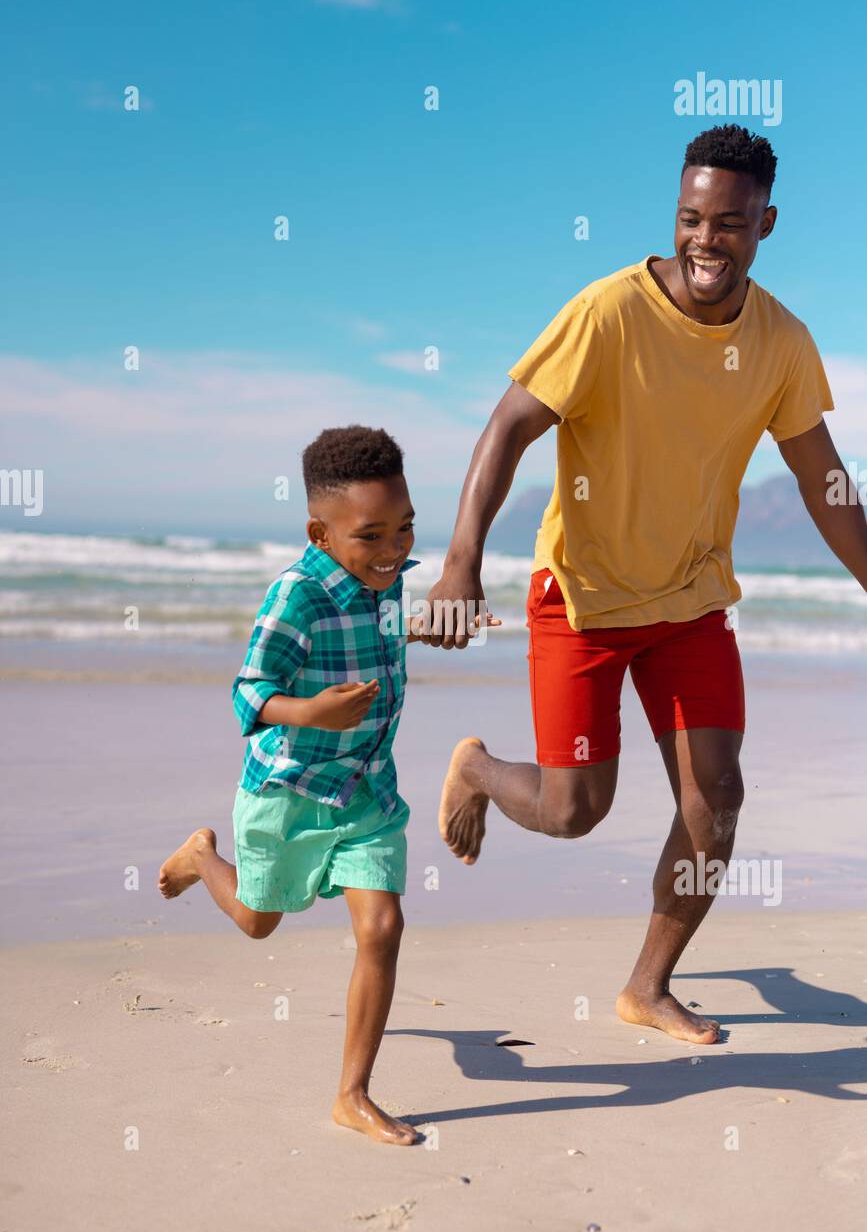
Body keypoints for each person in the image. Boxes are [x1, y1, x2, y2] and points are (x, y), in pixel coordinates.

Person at [422, 124, 867, 1046]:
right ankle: (475, 767)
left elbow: (822, 481)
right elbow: (505, 429)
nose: (706, 240)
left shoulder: (782, 342)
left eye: (729, 223)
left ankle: (646, 986)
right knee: (572, 809)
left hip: (692, 601)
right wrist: (460, 560)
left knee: (717, 803)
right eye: (690, 219)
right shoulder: (608, 312)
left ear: (766, 224)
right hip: (582, 594)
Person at [159, 427, 425, 1144]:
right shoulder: (297, 597)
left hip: (367, 789)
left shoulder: (390, 580)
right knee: (257, 921)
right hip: (289, 792)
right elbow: (249, 694)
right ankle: (199, 857)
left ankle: (352, 1094)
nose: (394, 550)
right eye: (371, 536)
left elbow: (389, 632)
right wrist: (308, 710)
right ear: (320, 531)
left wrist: (438, 624)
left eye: (404, 528)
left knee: (383, 928)